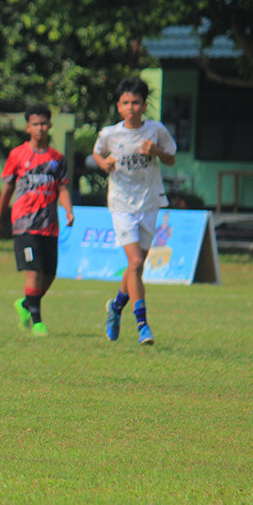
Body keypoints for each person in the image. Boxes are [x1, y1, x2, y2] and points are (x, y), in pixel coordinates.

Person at [93, 77, 177, 346]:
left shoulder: (155, 131)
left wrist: (156, 152)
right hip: (121, 205)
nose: (131, 107)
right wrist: (104, 163)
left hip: (149, 202)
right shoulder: (110, 134)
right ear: (119, 106)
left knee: (134, 268)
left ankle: (115, 308)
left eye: (136, 102)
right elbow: (98, 154)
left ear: (144, 105)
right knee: (137, 263)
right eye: (126, 102)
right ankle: (143, 325)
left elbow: (171, 157)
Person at [0, 104, 74, 337]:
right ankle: (37, 322)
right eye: (35, 124)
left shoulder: (57, 159)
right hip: (24, 223)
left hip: (49, 224)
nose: (40, 128)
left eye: (44, 124)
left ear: (50, 126)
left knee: (49, 274)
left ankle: (26, 304)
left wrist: (68, 210)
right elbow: (7, 189)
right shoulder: (17, 155)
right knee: (35, 269)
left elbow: (63, 188)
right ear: (28, 127)